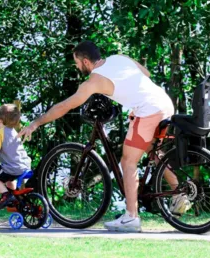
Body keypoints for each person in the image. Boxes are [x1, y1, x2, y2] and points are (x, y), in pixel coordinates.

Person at [18, 40, 180, 232]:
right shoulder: (119, 58)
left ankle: (131, 217)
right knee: (150, 150)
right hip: (164, 102)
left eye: (77, 63)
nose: (77, 67)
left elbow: (64, 106)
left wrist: (36, 123)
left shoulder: (93, 81)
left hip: (148, 110)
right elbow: (146, 74)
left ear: (86, 61)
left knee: (128, 161)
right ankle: (179, 192)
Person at [0, 104, 31, 209]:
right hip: (24, 166)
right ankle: (14, 200)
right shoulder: (14, 132)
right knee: (8, 179)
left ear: (0, 121)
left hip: (12, 167)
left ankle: (6, 195)